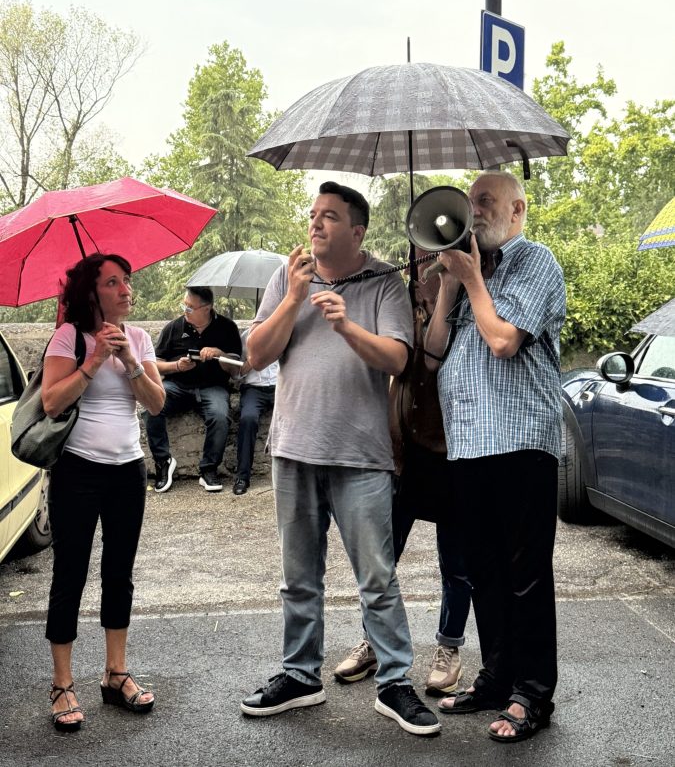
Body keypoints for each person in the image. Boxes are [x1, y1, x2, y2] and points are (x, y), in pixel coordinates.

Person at [240, 181, 440, 736]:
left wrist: (345, 324)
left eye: (329, 216)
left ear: (358, 230)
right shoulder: (289, 275)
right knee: (298, 576)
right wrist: (293, 298)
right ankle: (300, 676)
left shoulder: (384, 282)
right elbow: (256, 354)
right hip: (294, 448)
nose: (316, 223)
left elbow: (400, 357)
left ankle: (395, 682)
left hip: (360, 454)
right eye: (312, 214)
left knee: (377, 576)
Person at [424, 170, 566, 744]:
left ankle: (532, 694)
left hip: (520, 444)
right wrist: (449, 290)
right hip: (469, 446)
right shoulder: (464, 274)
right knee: (483, 574)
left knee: (524, 577)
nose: (474, 211)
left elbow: (504, 342)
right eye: (470, 203)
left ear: (517, 210)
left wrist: (475, 282)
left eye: (485, 202)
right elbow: (433, 355)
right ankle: (496, 677)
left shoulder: (535, 262)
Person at [334, 250, 471, 698]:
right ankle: (375, 639)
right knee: (382, 559)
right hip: (404, 451)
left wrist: (448, 290)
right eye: (418, 259)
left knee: (457, 563)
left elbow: (437, 357)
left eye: (433, 258)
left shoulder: (469, 298)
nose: (424, 267)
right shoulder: (399, 300)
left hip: (454, 451)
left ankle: (449, 648)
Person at [42, 253, 165, 732]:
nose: (126, 289)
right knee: (69, 573)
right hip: (77, 472)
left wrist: (130, 361)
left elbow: (156, 404)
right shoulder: (68, 337)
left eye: (127, 281)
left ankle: (116, 674)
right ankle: (62, 683)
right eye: (114, 282)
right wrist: (94, 360)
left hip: (126, 472)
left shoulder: (138, 338)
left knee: (119, 573)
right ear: (91, 293)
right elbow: (52, 402)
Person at [144, 286, 242, 493]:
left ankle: (208, 469)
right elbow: (155, 364)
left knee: (220, 416)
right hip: (177, 385)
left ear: (207, 308)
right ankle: (163, 462)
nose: (184, 311)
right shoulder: (174, 328)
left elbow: (236, 367)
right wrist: (176, 366)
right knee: (151, 407)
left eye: (190, 308)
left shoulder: (227, 327)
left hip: (212, 387)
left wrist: (218, 353)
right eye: (184, 305)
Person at [232, 328, 277, 495]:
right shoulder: (246, 336)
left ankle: (304, 474)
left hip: (280, 386)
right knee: (248, 419)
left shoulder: (285, 330)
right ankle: (242, 476)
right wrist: (253, 359)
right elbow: (237, 373)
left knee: (297, 416)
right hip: (254, 389)